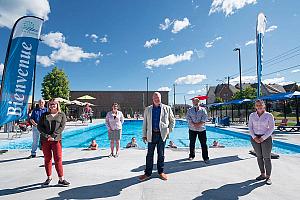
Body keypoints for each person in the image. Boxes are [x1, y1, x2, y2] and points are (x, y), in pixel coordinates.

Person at [139, 92, 175, 181]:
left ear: (160, 98)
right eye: (155, 97)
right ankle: (147, 173)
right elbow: (145, 124)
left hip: (162, 135)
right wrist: (144, 135)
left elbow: (172, 121)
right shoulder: (148, 109)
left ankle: (161, 172)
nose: (156, 99)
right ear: (152, 99)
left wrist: (168, 131)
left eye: (158, 97)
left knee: (161, 154)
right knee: (149, 155)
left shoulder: (167, 108)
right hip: (151, 135)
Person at [37, 98, 70, 187]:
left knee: (58, 159)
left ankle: (61, 179)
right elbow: (39, 127)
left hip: (56, 140)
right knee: (47, 159)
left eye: (54, 104)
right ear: (48, 106)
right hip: (45, 140)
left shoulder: (61, 114)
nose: (52, 105)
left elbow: (62, 127)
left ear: (57, 105)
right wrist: (47, 136)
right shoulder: (44, 115)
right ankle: (49, 177)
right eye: (51, 104)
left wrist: (53, 136)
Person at [248, 99, 275, 185]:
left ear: (264, 106)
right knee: (259, 157)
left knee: (267, 158)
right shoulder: (252, 115)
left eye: (260, 105)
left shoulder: (269, 115)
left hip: (266, 138)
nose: (259, 106)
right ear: (255, 106)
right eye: (257, 105)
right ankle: (262, 174)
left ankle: (268, 177)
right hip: (255, 138)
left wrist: (263, 138)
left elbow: (271, 128)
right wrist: (254, 137)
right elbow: (250, 127)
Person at [186, 97, 209, 163]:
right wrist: (193, 124)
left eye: (196, 102)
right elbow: (188, 118)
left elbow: (205, 118)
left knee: (203, 144)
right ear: (193, 103)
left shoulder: (203, 110)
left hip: (201, 129)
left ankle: (205, 158)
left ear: (199, 102)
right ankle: (191, 155)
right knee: (192, 143)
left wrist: (198, 124)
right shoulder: (190, 110)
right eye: (194, 102)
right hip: (192, 129)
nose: (195, 103)